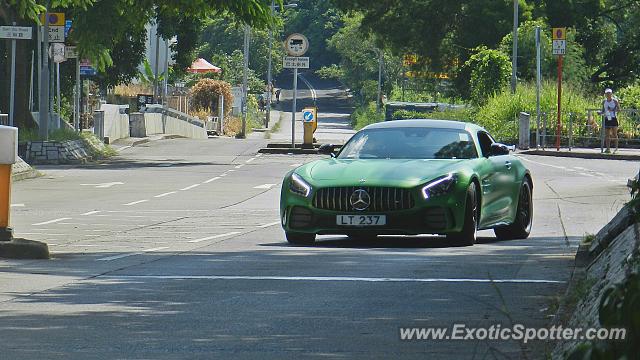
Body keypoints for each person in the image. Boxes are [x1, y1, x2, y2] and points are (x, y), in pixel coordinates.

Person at [602, 88, 621, 153]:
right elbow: (603, 110)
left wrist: (612, 110)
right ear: (605, 94)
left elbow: (619, 110)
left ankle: (616, 149)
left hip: (613, 118)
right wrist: (600, 113)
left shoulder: (615, 101)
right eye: (607, 93)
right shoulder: (604, 101)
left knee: (614, 134)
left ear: (611, 94)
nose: (608, 95)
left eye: (609, 93)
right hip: (607, 118)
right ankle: (608, 149)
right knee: (607, 135)